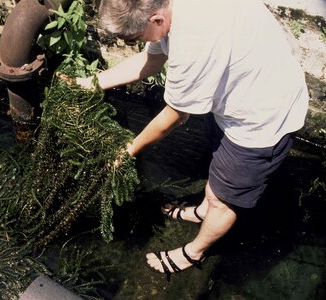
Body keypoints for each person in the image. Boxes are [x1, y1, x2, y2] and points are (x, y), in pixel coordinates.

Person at [68, 0, 309, 279]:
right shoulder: (171, 9)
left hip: (261, 120)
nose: (134, 44)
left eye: (135, 38)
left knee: (224, 200)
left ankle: (194, 252)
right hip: (238, 94)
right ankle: (203, 210)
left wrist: (129, 149)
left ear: (155, 20)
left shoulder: (193, 42)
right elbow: (153, 58)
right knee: (217, 176)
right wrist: (92, 83)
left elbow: (174, 116)